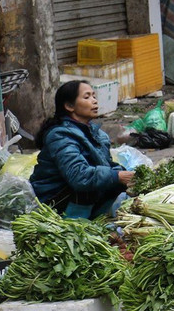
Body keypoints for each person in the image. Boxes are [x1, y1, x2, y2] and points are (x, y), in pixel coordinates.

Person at [29, 80, 133, 218]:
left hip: (74, 194)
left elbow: (105, 165)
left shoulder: (97, 134)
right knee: (102, 181)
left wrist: (126, 175)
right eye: (87, 97)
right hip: (53, 201)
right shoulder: (60, 136)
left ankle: (98, 218)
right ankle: (76, 225)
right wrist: (116, 176)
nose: (94, 101)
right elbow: (79, 176)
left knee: (118, 182)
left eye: (94, 96)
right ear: (69, 106)